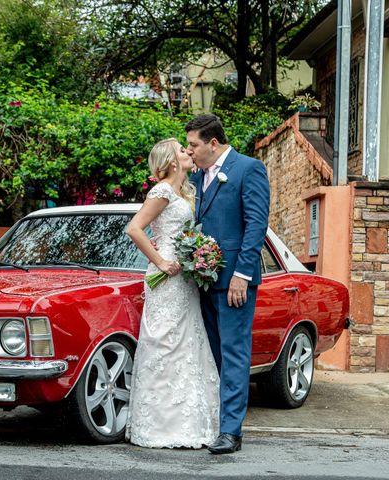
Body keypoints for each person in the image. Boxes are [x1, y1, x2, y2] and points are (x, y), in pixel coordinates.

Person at [125, 138, 220, 449]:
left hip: (185, 280)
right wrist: (161, 261)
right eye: (183, 150)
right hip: (165, 279)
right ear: (172, 161)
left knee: (187, 345)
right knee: (165, 346)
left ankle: (190, 425)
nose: (189, 152)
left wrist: (199, 255)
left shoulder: (185, 193)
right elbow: (134, 228)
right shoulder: (162, 191)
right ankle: (159, 427)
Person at [186, 114, 270, 454]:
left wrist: (242, 274)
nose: (190, 151)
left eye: (194, 145)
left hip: (234, 279)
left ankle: (231, 432)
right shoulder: (196, 176)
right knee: (212, 354)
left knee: (234, 354)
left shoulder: (248, 169)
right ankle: (214, 421)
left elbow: (256, 225)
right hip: (202, 279)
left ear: (214, 143)